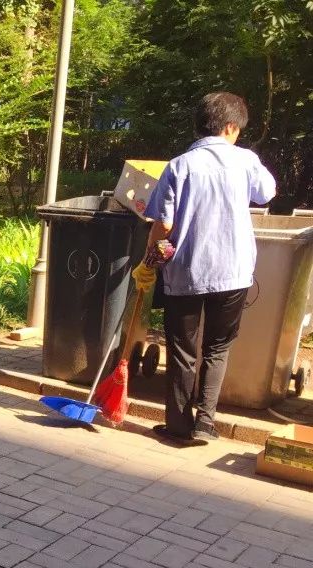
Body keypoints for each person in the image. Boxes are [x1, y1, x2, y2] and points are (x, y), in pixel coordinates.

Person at [138, 92, 276, 445]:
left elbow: (163, 226)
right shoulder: (246, 160)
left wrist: (149, 260)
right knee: (217, 347)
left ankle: (179, 428)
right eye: (237, 130)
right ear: (231, 126)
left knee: (182, 349)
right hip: (234, 270)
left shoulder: (179, 166)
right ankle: (206, 422)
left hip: (186, 271)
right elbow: (267, 193)